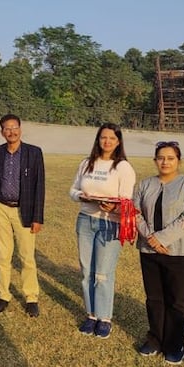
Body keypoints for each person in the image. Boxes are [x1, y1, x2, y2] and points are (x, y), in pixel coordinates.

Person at [135, 141, 184, 364]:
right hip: (149, 251)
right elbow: (135, 213)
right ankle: (155, 338)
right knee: (154, 298)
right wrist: (151, 239)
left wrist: (162, 239)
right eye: (161, 158)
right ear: (155, 160)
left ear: (178, 161)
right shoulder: (145, 185)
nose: (165, 162)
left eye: (170, 158)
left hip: (180, 252)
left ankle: (176, 345)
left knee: (178, 301)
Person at [69, 123, 136, 338]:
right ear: (98, 140)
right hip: (86, 220)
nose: (107, 142)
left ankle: (104, 318)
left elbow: (127, 200)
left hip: (110, 223)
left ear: (118, 142)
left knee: (103, 274)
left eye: (112, 138)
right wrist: (81, 196)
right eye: (103, 137)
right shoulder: (87, 163)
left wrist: (114, 207)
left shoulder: (123, 167)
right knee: (86, 271)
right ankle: (91, 315)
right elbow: (73, 190)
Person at [0, 114, 45, 317]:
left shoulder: (34, 153)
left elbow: (39, 187)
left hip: (24, 210)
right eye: (7, 129)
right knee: (3, 256)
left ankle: (31, 297)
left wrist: (37, 217)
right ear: (2, 132)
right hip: (1, 209)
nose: (11, 131)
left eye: (14, 127)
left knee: (27, 257)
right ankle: (3, 295)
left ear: (20, 128)